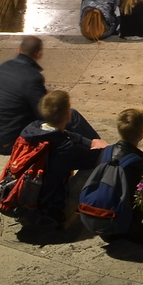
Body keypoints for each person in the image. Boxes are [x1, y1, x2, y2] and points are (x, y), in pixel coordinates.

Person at [0, 37, 99, 155]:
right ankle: (101, 150)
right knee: (70, 115)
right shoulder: (32, 76)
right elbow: (43, 113)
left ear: (18, 50)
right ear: (38, 54)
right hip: (8, 141)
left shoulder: (4, 66)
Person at [16, 90, 106, 228]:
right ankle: (68, 211)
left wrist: (90, 142)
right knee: (98, 165)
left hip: (29, 198)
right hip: (49, 208)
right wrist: (104, 148)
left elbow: (63, 134)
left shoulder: (31, 129)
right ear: (67, 115)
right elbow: (98, 157)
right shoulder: (65, 148)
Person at [99, 107, 143, 243]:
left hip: (106, 227)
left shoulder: (105, 153)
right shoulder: (140, 164)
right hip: (136, 231)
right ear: (142, 134)